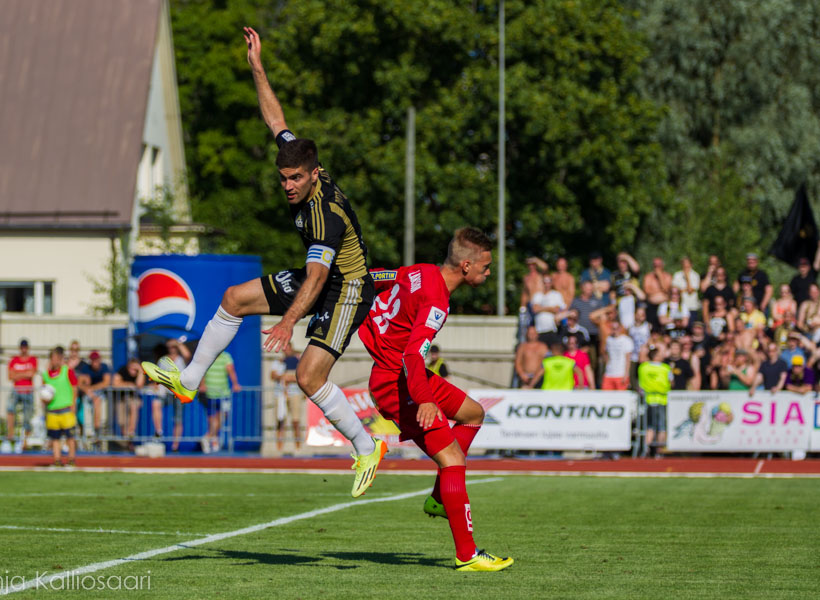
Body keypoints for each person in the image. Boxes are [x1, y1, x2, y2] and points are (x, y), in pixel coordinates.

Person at [142, 27, 384, 497]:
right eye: (283, 177)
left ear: (315, 174)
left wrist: (287, 322)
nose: (288, 185)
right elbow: (276, 120)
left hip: (347, 288)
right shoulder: (300, 162)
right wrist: (257, 66)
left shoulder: (324, 217)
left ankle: (366, 445)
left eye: (296, 178)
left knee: (308, 376)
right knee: (234, 298)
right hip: (321, 278)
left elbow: (316, 279)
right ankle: (189, 380)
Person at [358, 227, 512, 571]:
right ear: (467, 267)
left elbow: (379, 277)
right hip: (397, 381)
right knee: (453, 459)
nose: (488, 273)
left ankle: (443, 497)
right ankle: (467, 554)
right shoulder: (437, 301)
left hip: (407, 376)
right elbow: (413, 355)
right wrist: (425, 399)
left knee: (473, 414)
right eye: (486, 267)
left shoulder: (420, 271)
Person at [41, 346, 77, 467]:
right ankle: (57, 459)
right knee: (55, 438)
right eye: (53, 358)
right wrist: (44, 401)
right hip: (52, 410)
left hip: (66, 409)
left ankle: (71, 459)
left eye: (57, 358)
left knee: (70, 437)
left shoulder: (67, 371)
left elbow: (74, 387)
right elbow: (44, 392)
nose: (55, 361)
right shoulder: (46, 375)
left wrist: (73, 403)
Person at [199, 349, 241, 453]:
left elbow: (231, 370)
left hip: (224, 393)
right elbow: (202, 372)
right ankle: (212, 439)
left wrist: (235, 384)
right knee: (211, 419)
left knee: (223, 416)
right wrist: (202, 385)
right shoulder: (208, 356)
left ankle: (208, 437)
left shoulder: (226, 356)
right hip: (210, 393)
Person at [638, 348, 672, 456]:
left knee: (649, 426)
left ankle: (646, 449)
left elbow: (640, 384)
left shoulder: (643, 367)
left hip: (647, 399)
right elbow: (670, 382)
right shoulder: (665, 368)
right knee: (661, 426)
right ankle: (659, 451)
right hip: (662, 400)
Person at [271, 343, 303, 452]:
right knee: (280, 421)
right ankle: (279, 448)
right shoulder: (279, 362)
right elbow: (273, 375)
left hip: (294, 394)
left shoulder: (297, 361)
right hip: (280, 395)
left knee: (296, 421)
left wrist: (288, 377)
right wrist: (284, 376)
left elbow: (301, 376)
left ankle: (298, 447)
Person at [6, 339, 37, 453]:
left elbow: (31, 373)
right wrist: (24, 374)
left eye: (25, 347)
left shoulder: (32, 359)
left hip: (28, 391)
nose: (24, 349)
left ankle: (25, 442)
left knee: (27, 416)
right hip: (16, 389)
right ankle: (10, 435)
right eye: (22, 347)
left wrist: (18, 374)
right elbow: (10, 376)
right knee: (10, 408)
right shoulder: (14, 360)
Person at [77, 351, 111, 439]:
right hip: (89, 395)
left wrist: (91, 388)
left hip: (100, 394)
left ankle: (97, 430)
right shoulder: (85, 368)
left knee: (97, 401)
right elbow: (80, 384)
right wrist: (87, 387)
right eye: (93, 360)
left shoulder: (104, 367)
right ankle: (90, 433)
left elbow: (106, 383)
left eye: (96, 360)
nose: (95, 363)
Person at [112, 358, 145, 448]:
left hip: (133, 398)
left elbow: (139, 385)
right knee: (121, 421)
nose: (133, 371)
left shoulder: (140, 373)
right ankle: (127, 441)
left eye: (135, 369)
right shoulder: (122, 370)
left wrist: (140, 371)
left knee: (133, 407)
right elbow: (115, 383)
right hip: (121, 398)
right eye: (132, 368)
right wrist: (128, 384)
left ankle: (131, 432)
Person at [531, 275, 566, 345]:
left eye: (548, 282)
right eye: (545, 282)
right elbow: (534, 309)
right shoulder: (537, 295)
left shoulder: (556, 295)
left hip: (552, 329)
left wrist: (541, 308)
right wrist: (550, 308)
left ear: (551, 283)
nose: (546, 284)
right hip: (539, 329)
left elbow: (557, 309)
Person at [602, 320, 634, 390]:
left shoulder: (626, 340)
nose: (614, 331)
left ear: (620, 329)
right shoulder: (608, 339)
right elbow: (607, 355)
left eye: (616, 328)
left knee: (621, 398)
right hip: (609, 373)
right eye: (613, 328)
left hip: (620, 374)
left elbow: (628, 359)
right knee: (606, 397)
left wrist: (626, 375)